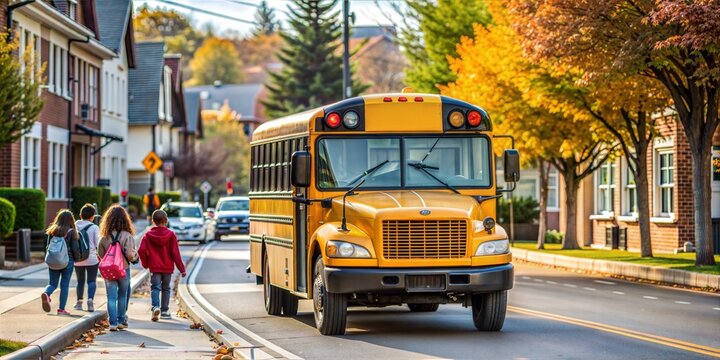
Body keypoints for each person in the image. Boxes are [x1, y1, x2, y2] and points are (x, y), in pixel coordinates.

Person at [139, 210, 186, 321]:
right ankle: (164, 311)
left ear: (153, 221)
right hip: (167, 268)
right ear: (166, 220)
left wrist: (145, 263)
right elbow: (176, 254)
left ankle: (155, 307)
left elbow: (141, 250)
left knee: (155, 287)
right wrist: (182, 269)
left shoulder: (148, 235)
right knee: (166, 288)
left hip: (154, 267)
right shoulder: (171, 235)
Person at [98, 205, 138, 331]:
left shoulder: (104, 237)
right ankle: (121, 320)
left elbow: (100, 252)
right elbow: (130, 254)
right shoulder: (127, 236)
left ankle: (113, 323)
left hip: (109, 270)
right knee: (122, 294)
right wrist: (135, 258)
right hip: (123, 269)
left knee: (111, 297)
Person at [42, 209, 81, 315]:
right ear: (71, 220)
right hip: (67, 261)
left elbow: (47, 246)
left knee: (52, 284)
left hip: (53, 261)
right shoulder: (71, 231)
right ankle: (61, 309)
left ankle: (46, 293)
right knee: (64, 285)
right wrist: (77, 259)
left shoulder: (52, 230)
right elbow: (75, 248)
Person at [73, 204, 100, 312]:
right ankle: (90, 300)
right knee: (91, 281)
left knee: (80, 281)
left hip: (78, 258)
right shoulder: (94, 227)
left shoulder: (74, 226)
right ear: (93, 216)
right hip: (92, 259)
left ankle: (79, 302)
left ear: (80, 215)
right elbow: (97, 244)